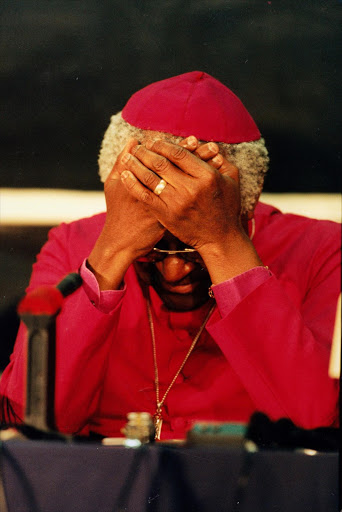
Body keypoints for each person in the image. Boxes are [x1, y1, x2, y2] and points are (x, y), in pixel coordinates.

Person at [0, 71, 340, 440]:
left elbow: (317, 427)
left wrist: (222, 243)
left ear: (244, 208)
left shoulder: (321, 250)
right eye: (154, 249)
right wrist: (113, 251)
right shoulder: (74, 243)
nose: (175, 269)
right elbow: (33, 427)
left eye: (192, 249)